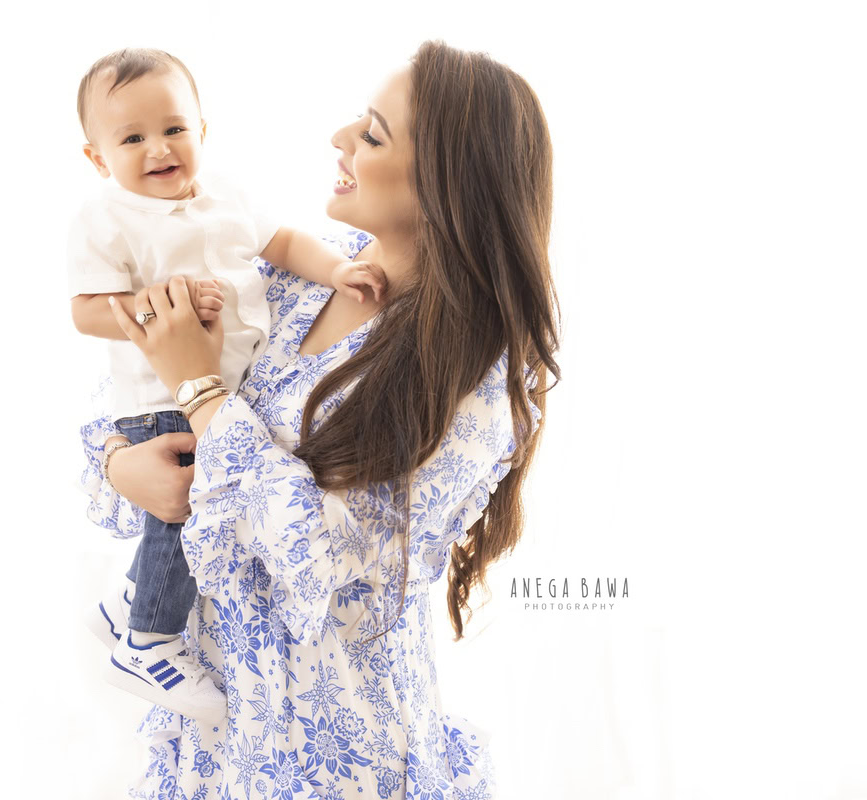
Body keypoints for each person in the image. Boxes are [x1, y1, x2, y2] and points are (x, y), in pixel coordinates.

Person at [80, 40, 560, 799]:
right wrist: (118, 464)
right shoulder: (292, 275)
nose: (340, 138)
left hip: (335, 762)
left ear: (444, 182)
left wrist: (203, 391)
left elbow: (317, 559)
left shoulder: (475, 381)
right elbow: (136, 401)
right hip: (213, 742)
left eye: (372, 134)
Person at [68, 48, 386, 723]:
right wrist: (155, 312)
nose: (158, 149)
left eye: (174, 129)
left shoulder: (229, 197)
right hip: (161, 398)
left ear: (202, 131)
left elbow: (285, 244)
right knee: (185, 508)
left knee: (185, 507)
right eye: (131, 138)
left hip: (225, 389)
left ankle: (128, 600)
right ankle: (147, 637)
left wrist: (336, 271)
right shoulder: (106, 221)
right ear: (98, 158)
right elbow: (85, 309)